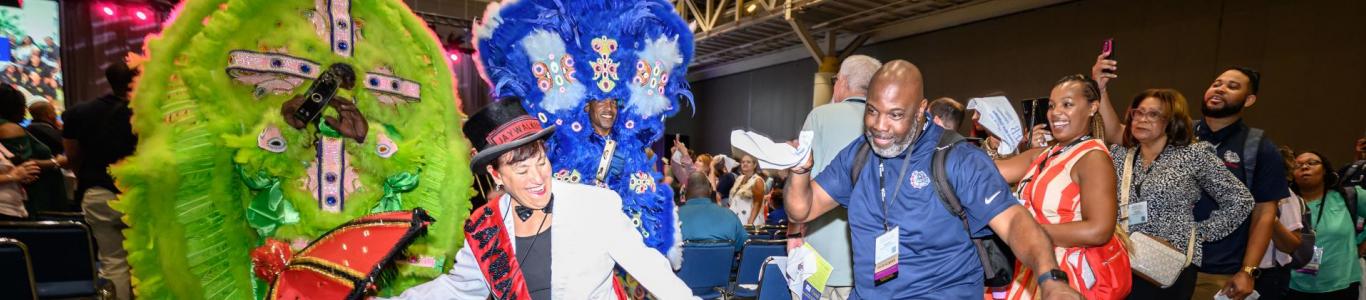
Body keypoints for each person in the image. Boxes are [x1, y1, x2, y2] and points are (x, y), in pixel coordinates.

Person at [785, 60, 1082, 299]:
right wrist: (799, 170)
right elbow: (802, 210)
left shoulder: (957, 159)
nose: (880, 126)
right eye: (873, 111)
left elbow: (1016, 221)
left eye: (895, 115)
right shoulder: (859, 154)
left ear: (921, 110)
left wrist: (1050, 277)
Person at [393, 99, 693, 299]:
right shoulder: (485, 227)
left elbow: (652, 271)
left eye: (541, 161)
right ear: (496, 175)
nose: (537, 178)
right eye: (521, 169)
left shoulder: (595, 206)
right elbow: (457, 289)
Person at [1094, 56, 1286, 300]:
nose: (1142, 118)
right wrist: (1100, 87)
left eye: (1153, 114)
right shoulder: (1121, 155)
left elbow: (1244, 202)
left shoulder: (1195, 153)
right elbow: (1114, 133)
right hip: (1120, 259)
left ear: (1170, 121)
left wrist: (1197, 231)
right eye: (1138, 112)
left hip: (1169, 263)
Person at [993, 75, 1128, 299]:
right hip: (1034, 265)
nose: (1055, 113)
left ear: (1093, 107)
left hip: (1066, 274)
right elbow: (988, 172)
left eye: (1067, 104)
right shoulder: (1045, 153)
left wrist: (1029, 234)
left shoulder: (1092, 157)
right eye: (1052, 105)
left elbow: (1098, 230)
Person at [790, 54, 881, 299]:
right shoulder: (887, 126)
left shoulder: (819, 117)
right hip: (871, 262)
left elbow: (800, 185)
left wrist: (793, 234)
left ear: (841, 82)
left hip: (820, 258)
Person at [61, 61, 139, 300]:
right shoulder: (146, 113)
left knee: (113, 261)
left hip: (98, 193)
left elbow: (72, 156)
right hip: (140, 195)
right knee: (149, 259)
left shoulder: (78, 113)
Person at [1288, 151, 1366, 299]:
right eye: (1297, 165)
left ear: (1324, 170)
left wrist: (1363, 243)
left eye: (1312, 163)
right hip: (1293, 286)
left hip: (1342, 285)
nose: (1304, 167)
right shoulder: (1286, 203)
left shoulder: (1349, 196)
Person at [0, 83, 68, 214]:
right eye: (23, 106)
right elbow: (25, 165)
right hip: (30, 197)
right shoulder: (10, 128)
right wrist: (57, 162)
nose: (26, 111)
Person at [1255, 146, 1307, 300]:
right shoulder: (1234, 191)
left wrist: (1267, 215)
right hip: (1231, 270)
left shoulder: (1285, 195)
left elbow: (1289, 246)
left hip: (1266, 277)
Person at [678, 171, 749, 251]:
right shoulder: (730, 215)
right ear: (710, 190)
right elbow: (744, 246)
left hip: (686, 263)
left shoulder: (672, 217)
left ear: (685, 191)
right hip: (723, 263)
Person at [730, 154, 767, 226]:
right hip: (736, 219)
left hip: (749, 221)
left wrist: (750, 224)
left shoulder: (757, 180)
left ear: (755, 165)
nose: (745, 164)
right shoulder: (739, 178)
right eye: (743, 162)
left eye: (748, 162)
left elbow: (757, 204)